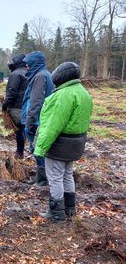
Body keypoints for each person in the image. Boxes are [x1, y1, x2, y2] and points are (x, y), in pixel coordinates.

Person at [35, 62, 92, 222]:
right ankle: (69, 209)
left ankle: (56, 212)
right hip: (76, 143)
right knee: (67, 175)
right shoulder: (83, 92)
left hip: (60, 145)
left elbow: (52, 126)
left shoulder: (63, 95)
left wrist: (39, 148)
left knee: (55, 177)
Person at [21, 51, 55, 186]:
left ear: (34, 64)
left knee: (38, 150)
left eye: (28, 65)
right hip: (39, 119)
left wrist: (29, 122)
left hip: (36, 120)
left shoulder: (40, 77)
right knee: (38, 150)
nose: (27, 68)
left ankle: (43, 179)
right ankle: (39, 178)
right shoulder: (44, 74)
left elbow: (36, 101)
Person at [2, 54, 28, 158]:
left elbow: (12, 92)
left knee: (19, 130)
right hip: (26, 105)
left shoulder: (15, 74)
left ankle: (19, 152)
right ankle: (23, 151)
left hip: (17, 106)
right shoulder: (28, 72)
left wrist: (5, 104)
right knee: (24, 128)